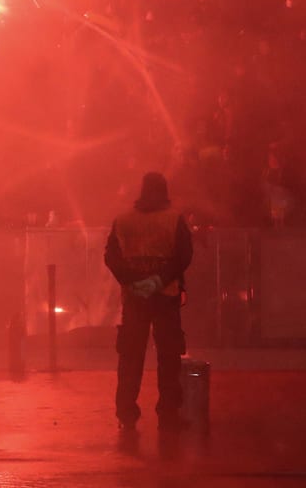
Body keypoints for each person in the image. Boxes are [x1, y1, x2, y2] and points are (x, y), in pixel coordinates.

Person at [104, 172, 193, 432]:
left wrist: (135, 282)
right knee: (168, 356)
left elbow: (111, 257)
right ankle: (168, 411)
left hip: (135, 297)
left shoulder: (123, 220)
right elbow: (183, 256)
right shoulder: (174, 219)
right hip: (166, 296)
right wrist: (158, 282)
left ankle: (126, 412)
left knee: (131, 356)